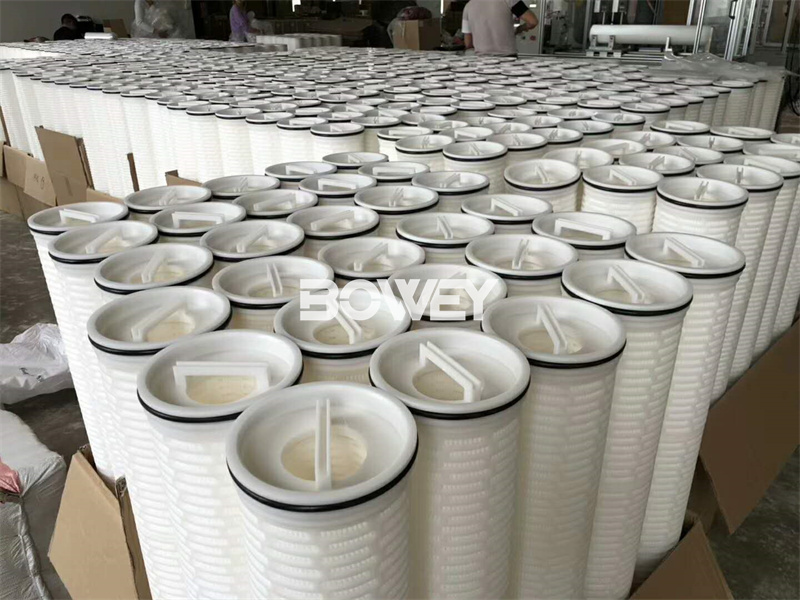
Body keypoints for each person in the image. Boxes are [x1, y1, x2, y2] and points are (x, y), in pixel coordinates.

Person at [462, 0, 539, 56]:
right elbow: (533, 21)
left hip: (482, 60)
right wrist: (519, 29)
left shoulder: (468, 6)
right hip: (507, 58)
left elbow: (468, 43)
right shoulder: (510, 1)